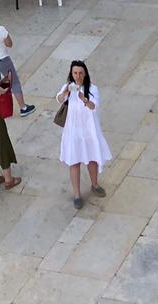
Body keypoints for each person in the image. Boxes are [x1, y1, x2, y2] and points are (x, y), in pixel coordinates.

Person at [57, 60, 111, 208]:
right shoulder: (68, 87)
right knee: (74, 162)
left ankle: (95, 184)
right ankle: (77, 194)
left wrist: (84, 99)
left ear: (85, 73)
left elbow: (94, 106)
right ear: (71, 73)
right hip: (73, 131)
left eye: (80, 73)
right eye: (75, 73)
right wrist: (66, 92)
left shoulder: (93, 89)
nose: (78, 76)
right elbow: (59, 99)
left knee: (92, 159)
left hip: (89, 131)